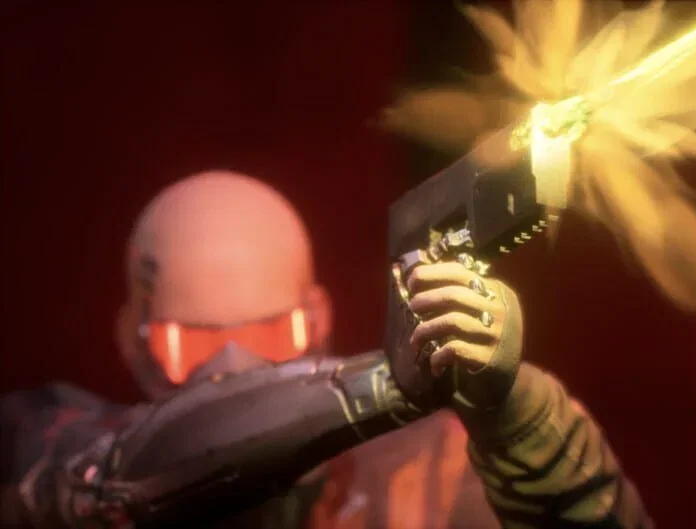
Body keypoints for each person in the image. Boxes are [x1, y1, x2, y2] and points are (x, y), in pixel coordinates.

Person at [0, 171, 651, 528]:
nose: (233, 368)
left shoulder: (434, 475)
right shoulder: (72, 473)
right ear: (132, 340)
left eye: (270, 335)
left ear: (317, 320)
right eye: (190, 344)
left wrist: (520, 418)